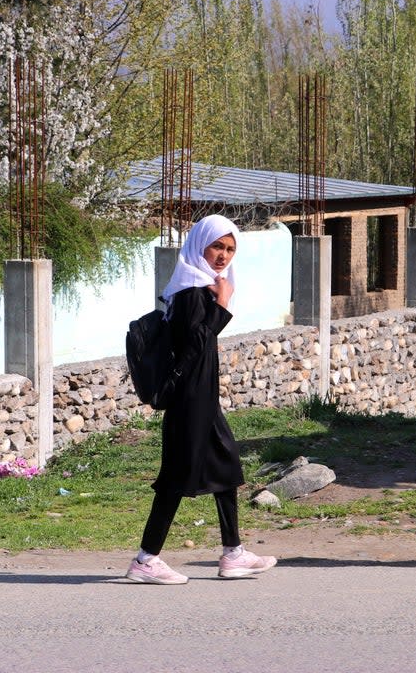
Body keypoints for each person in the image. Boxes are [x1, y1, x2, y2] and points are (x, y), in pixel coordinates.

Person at [126, 214, 276, 584]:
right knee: (175, 479)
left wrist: (218, 301)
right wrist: (223, 307)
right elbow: (196, 345)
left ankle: (233, 553)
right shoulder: (192, 291)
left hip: (201, 398)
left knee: (226, 467)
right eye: (217, 247)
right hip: (189, 400)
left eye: (229, 249)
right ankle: (146, 560)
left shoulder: (198, 287)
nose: (223, 255)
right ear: (199, 246)